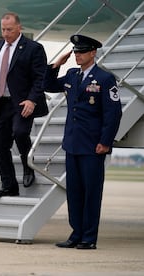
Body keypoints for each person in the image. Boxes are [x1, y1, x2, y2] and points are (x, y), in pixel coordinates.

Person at [43, 34, 122, 249]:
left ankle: (89, 237)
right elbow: (48, 85)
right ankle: (76, 234)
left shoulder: (105, 79)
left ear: (93, 53)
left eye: (82, 52)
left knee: (91, 192)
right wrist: (56, 65)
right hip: (72, 143)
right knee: (75, 192)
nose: (77, 55)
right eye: (76, 52)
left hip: (92, 145)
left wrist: (105, 142)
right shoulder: (71, 75)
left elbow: (113, 113)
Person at [0, 12, 48, 198]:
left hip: (22, 102)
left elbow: (40, 78)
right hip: (0, 104)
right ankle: (9, 186)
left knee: (21, 133)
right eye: (3, 30)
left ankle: (27, 165)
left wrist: (32, 99)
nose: (5, 34)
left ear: (19, 28)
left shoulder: (34, 48)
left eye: (9, 30)